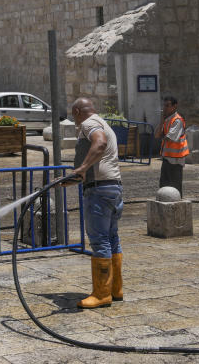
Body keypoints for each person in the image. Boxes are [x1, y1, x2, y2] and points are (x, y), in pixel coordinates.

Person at [63, 97, 123, 309]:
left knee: (99, 241)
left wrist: (82, 168)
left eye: (73, 115)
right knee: (112, 238)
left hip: (98, 190)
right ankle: (116, 289)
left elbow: (100, 143)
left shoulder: (89, 124)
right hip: (113, 187)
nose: (74, 120)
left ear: (78, 111)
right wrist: (70, 178)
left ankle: (102, 294)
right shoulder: (105, 123)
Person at [154, 95, 189, 195]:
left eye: (167, 105)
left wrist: (162, 135)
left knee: (175, 188)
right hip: (167, 158)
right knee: (164, 186)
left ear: (175, 106)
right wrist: (161, 122)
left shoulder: (177, 120)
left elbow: (169, 138)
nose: (165, 108)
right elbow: (156, 135)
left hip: (176, 160)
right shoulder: (166, 120)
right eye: (164, 106)